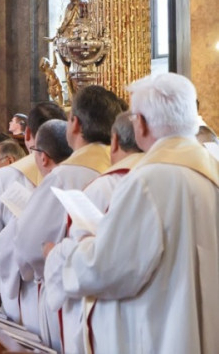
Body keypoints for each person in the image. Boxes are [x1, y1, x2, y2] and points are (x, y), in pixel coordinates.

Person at [59, 73, 219, 353]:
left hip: (159, 334)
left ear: (141, 123)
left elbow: (108, 268)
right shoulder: (210, 172)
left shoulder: (147, 181)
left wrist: (75, 248)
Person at [0, 85, 124, 347]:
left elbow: (28, 244)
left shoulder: (64, 176)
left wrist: (47, 256)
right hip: (116, 305)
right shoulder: (125, 170)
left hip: (69, 297)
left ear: (75, 124)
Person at [43, 112, 142, 354]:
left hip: (107, 312)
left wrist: (55, 254)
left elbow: (92, 260)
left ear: (115, 141)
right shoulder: (161, 179)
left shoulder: (103, 186)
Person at [0, 102, 65, 304]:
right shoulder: (74, 174)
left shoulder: (2, 177)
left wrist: (17, 251)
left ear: (27, 133)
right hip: (63, 284)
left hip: (12, 286)